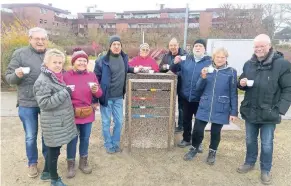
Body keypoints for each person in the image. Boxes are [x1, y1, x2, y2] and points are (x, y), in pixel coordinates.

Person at [237, 34, 291, 185]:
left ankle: (265, 169)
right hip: (250, 110)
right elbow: (242, 82)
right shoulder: (249, 64)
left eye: (262, 46)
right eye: (256, 46)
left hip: (269, 112)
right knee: (250, 140)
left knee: (267, 143)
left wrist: (280, 109)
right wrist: (241, 83)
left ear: (269, 46)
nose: (259, 49)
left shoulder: (282, 64)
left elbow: (288, 88)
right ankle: (249, 162)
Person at [5, 27, 48, 178]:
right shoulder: (20, 54)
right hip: (27, 102)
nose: (40, 42)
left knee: (47, 134)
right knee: (30, 135)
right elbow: (9, 78)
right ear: (30, 39)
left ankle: (48, 161)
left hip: (47, 102)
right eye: (37, 39)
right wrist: (16, 75)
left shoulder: (50, 55)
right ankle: (32, 162)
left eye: (43, 39)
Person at [183, 48, 238, 164]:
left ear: (226, 58)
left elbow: (233, 92)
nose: (220, 59)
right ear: (213, 58)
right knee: (197, 130)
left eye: (223, 57)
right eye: (218, 57)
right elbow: (198, 88)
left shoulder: (231, 72)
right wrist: (202, 77)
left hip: (221, 106)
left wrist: (233, 112)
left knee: (215, 132)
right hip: (205, 104)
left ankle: (212, 152)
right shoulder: (207, 70)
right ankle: (194, 148)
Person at [33, 49, 78, 186]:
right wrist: (66, 91)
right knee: (53, 151)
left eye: (60, 62)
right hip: (53, 122)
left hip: (59, 121)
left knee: (55, 149)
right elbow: (44, 103)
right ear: (46, 63)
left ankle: (46, 172)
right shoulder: (43, 81)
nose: (58, 65)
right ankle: (54, 179)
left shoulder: (56, 76)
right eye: (54, 62)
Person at [94, 35, 138, 154]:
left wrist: (134, 69)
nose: (117, 46)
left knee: (119, 121)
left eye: (119, 44)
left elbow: (125, 68)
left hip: (118, 97)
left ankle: (116, 142)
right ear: (110, 46)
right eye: (114, 44)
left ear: (121, 46)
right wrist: (95, 98)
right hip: (106, 97)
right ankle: (108, 144)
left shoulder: (124, 58)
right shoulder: (102, 60)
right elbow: (95, 79)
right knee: (106, 122)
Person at [64, 48, 103, 178]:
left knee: (85, 139)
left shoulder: (91, 76)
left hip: (87, 113)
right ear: (74, 62)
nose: (82, 63)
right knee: (72, 139)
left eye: (84, 60)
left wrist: (96, 90)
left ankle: (83, 162)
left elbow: (99, 93)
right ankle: (70, 165)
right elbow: (61, 95)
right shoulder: (66, 76)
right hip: (71, 113)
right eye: (79, 60)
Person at [170, 39, 211, 151]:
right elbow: (173, 70)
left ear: (204, 49)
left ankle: (198, 142)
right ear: (193, 48)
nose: (198, 48)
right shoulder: (186, 59)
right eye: (196, 46)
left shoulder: (209, 62)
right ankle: (186, 139)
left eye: (200, 46)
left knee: (200, 122)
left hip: (201, 98)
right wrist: (175, 62)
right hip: (186, 96)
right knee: (186, 119)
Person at [159, 38, 186, 133]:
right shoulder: (166, 56)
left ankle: (181, 126)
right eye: (171, 45)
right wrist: (169, 66)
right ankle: (170, 123)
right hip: (169, 84)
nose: (173, 47)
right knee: (169, 104)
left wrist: (175, 73)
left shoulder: (185, 55)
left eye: (174, 45)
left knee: (182, 106)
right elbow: (160, 68)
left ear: (178, 45)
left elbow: (186, 69)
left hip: (182, 83)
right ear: (169, 46)